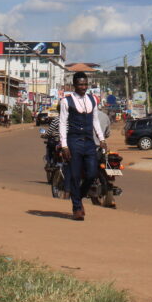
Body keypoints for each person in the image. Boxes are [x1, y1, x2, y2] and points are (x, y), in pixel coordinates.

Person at [59, 71, 107, 220]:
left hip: (89, 141)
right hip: (74, 140)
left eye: (85, 84)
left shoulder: (92, 100)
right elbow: (62, 123)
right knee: (75, 175)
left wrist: (101, 138)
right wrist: (64, 145)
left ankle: (78, 196)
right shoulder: (66, 101)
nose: (83, 87)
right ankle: (77, 207)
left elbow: (95, 120)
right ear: (74, 85)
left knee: (92, 173)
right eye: (80, 84)